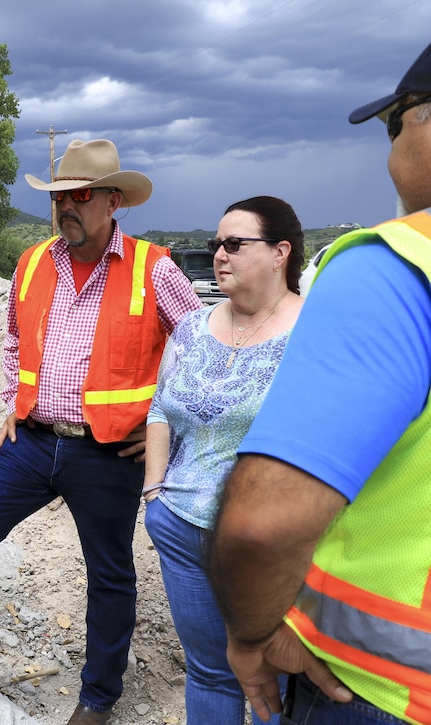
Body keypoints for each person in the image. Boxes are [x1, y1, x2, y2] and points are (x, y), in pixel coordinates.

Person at [0, 139, 201, 725]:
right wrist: (14, 399)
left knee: (108, 574)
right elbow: (15, 338)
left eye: (81, 195)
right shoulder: (34, 262)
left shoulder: (153, 269)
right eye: (60, 196)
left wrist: (170, 424)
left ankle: (97, 699)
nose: (68, 206)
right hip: (35, 441)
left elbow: (200, 352)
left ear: (114, 201)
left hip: (110, 450)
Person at [208, 41, 431, 725]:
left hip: (379, 691)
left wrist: (249, 634)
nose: (391, 150)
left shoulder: (395, 266)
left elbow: (260, 528)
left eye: (396, 124)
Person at [142, 196, 305, 724]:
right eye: (217, 245)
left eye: (235, 244)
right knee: (210, 671)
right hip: (184, 531)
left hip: (274, 546)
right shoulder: (191, 325)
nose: (219, 254)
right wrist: (153, 495)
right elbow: (160, 407)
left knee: (276, 679)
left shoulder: (314, 334)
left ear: (281, 252)